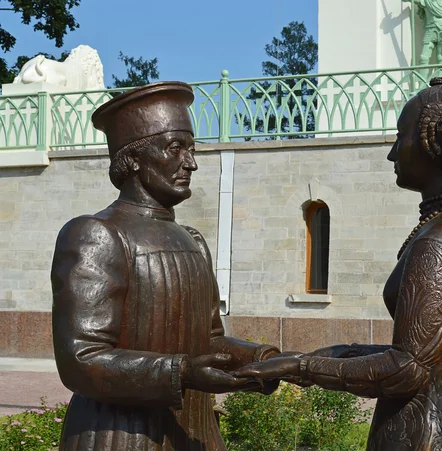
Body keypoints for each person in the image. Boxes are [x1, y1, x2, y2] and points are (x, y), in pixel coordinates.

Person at [235, 78, 442, 450]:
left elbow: (406, 368)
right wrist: (317, 356)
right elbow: (430, 348)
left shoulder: (439, 242)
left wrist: (301, 368)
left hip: (440, 420)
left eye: (401, 136)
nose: (393, 153)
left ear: (434, 143)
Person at [51, 82, 280, 450]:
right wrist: (182, 372)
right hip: (118, 436)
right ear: (134, 157)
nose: (191, 162)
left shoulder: (192, 240)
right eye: (175, 148)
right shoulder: (95, 234)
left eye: (191, 149)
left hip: (193, 434)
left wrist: (263, 358)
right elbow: (81, 359)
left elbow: (210, 339)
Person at [403, 0, 442, 66]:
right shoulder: (426, 1)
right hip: (430, 29)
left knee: (441, 58)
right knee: (423, 58)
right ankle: (422, 76)